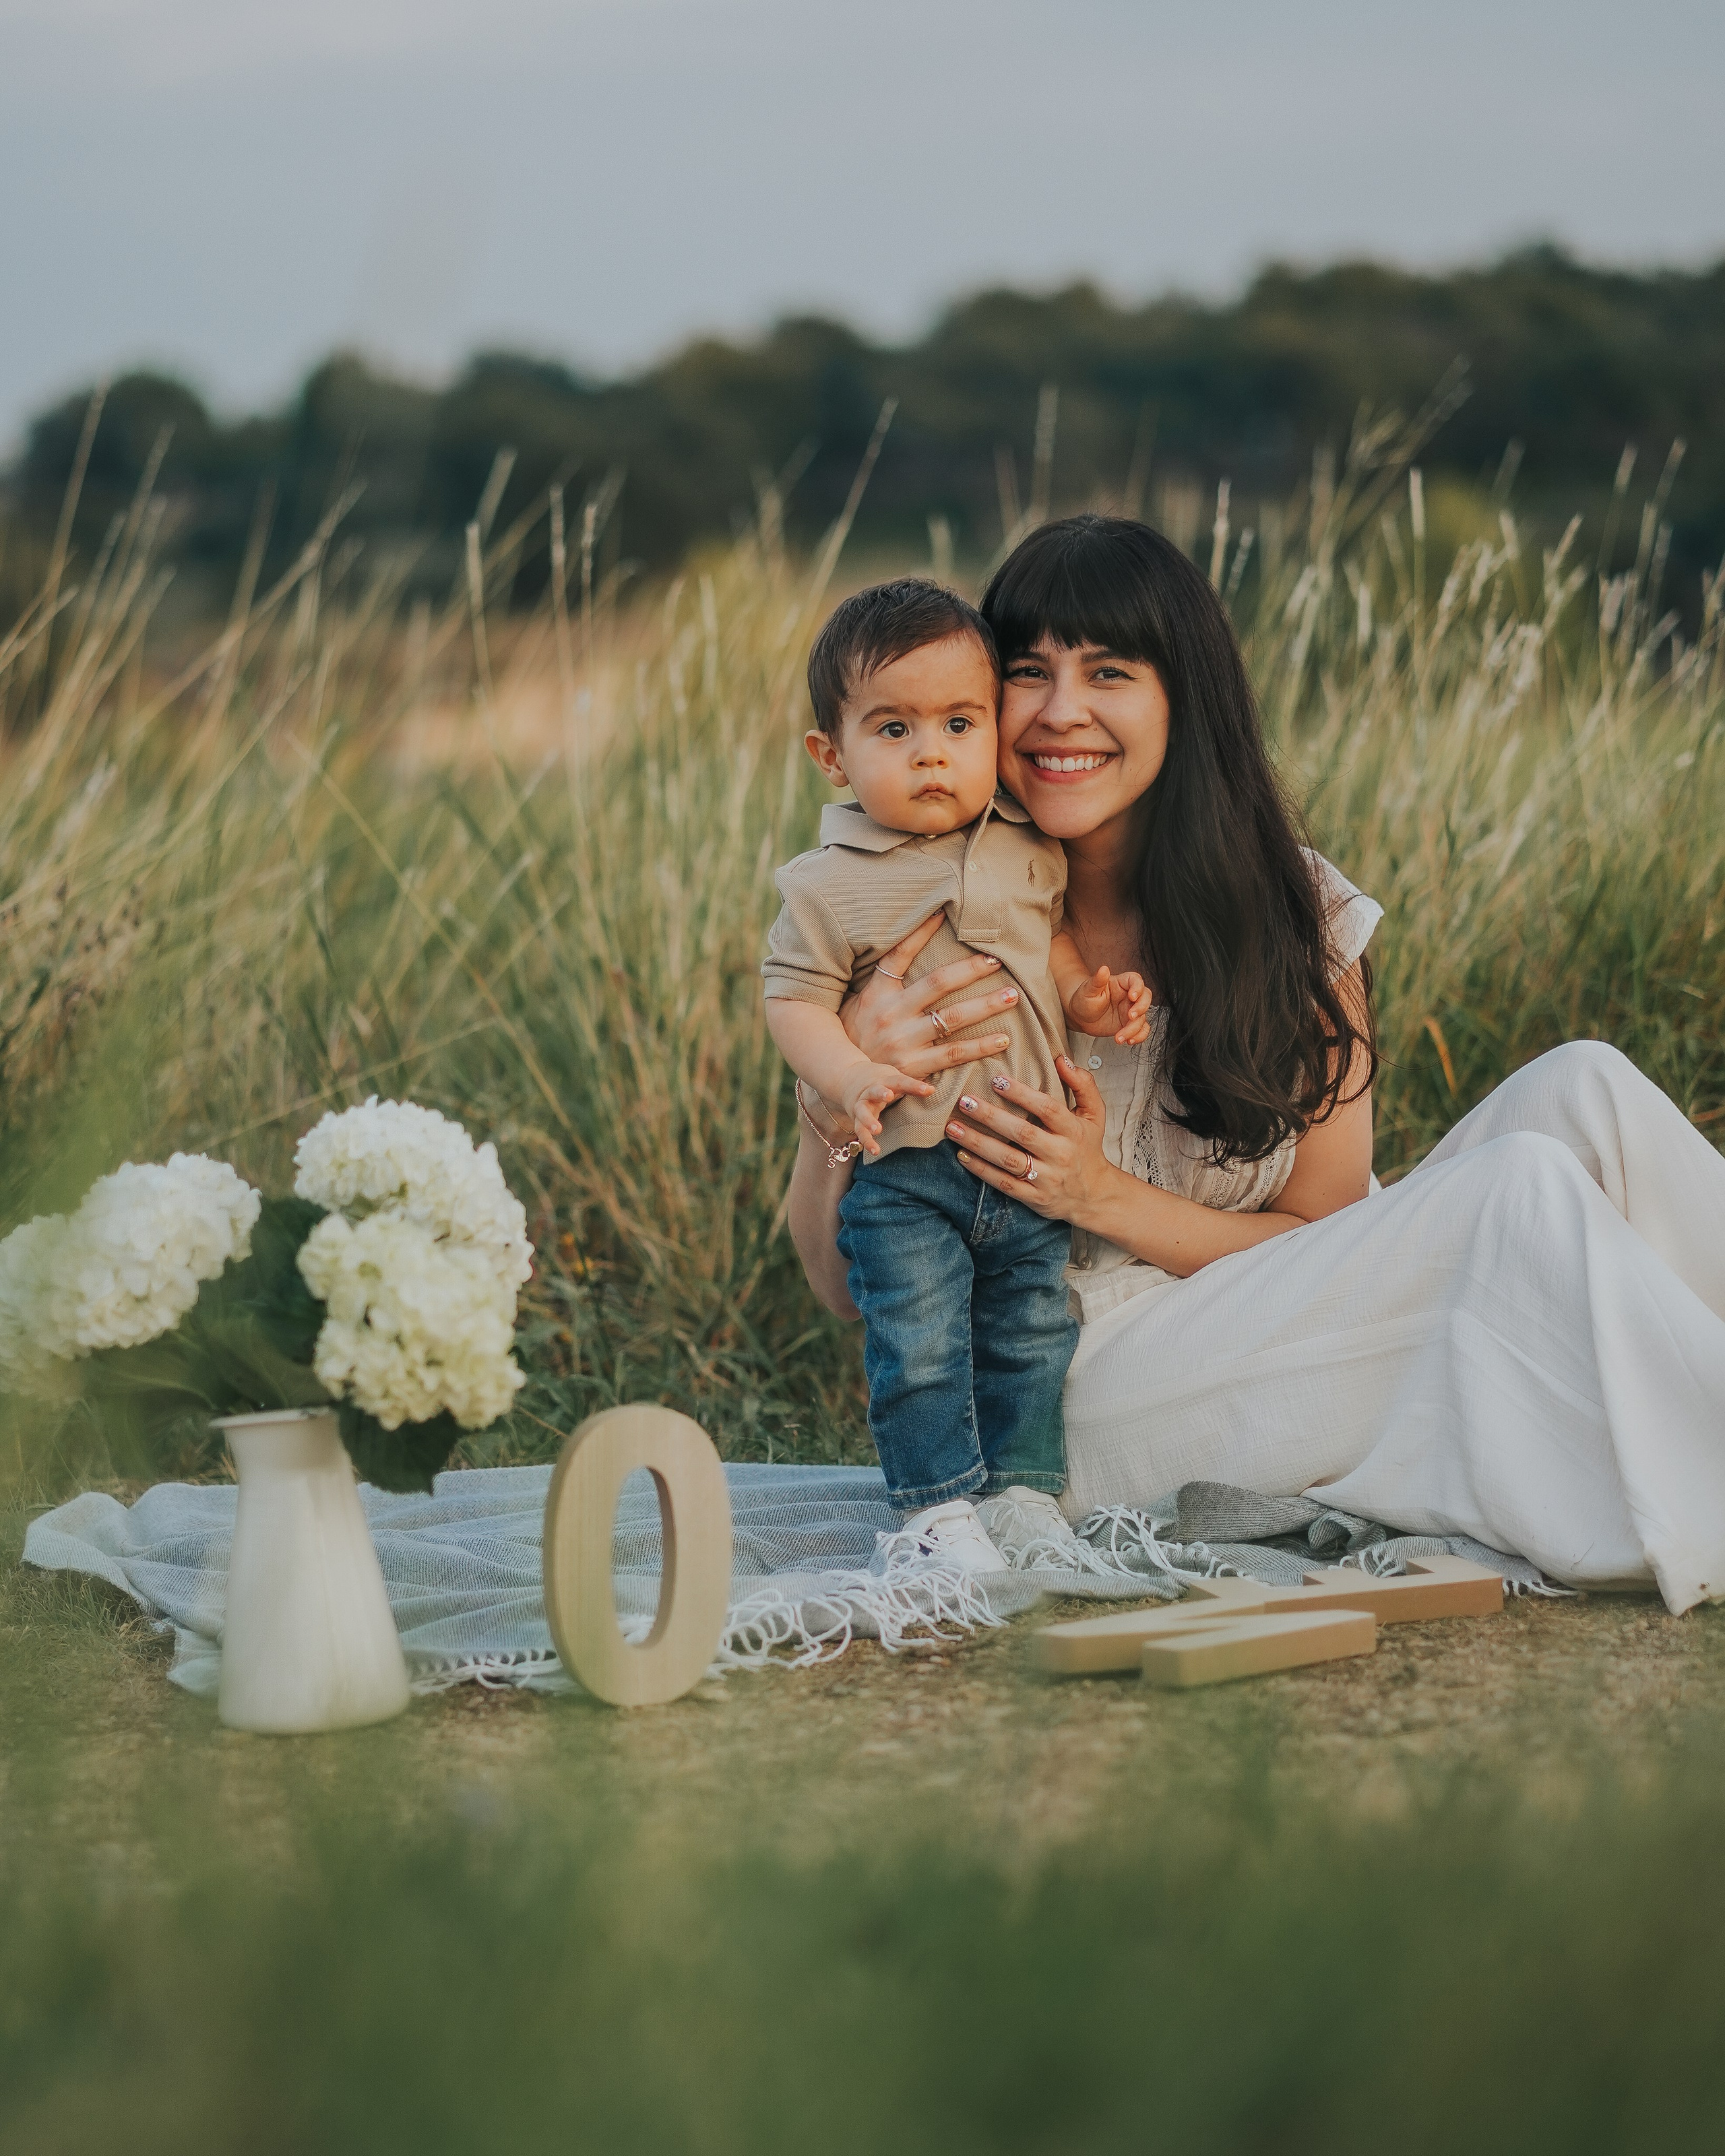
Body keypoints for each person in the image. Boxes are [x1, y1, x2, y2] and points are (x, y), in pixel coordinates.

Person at [788, 516, 1725, 1614]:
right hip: (1062, 1393)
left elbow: (1327, 1226)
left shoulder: (1298, 915)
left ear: (1184, 700)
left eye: (1109, 672)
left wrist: (1103, 1196)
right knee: (1514, 1195)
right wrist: (834, 1097)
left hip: (1279, 1315)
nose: (1058, 712)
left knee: (1588, 1088)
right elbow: (842, 1288)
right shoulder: (917, 920)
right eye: (1027, 672)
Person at [763, 577, 1148, 1573]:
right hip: (909, 1170)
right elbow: (793, 1003)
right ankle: (935, 1512)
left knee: (1030, 1335)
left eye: (960, 723)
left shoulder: (1025, 844)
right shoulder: (827, 879)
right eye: (893, 729)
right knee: (922, 1344)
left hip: (1022, 1154)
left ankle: (1023, 1493)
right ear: (831, 755)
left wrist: (1088, 1001)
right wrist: (846, 1076)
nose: (932, 751)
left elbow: (1048, 952)